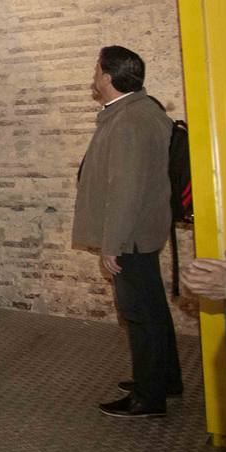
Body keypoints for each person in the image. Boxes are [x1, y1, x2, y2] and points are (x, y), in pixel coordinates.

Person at [72, 45, 182, 418]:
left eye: (96, 70)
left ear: (109, 76)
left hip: (131, 235)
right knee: (151, 306)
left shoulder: (130, 121)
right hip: (141, 231)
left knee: (138, 313)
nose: (93, 78)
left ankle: (148, 397)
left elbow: (126, 189)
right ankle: (164, 378)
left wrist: (112, 244)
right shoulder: (136, 112)